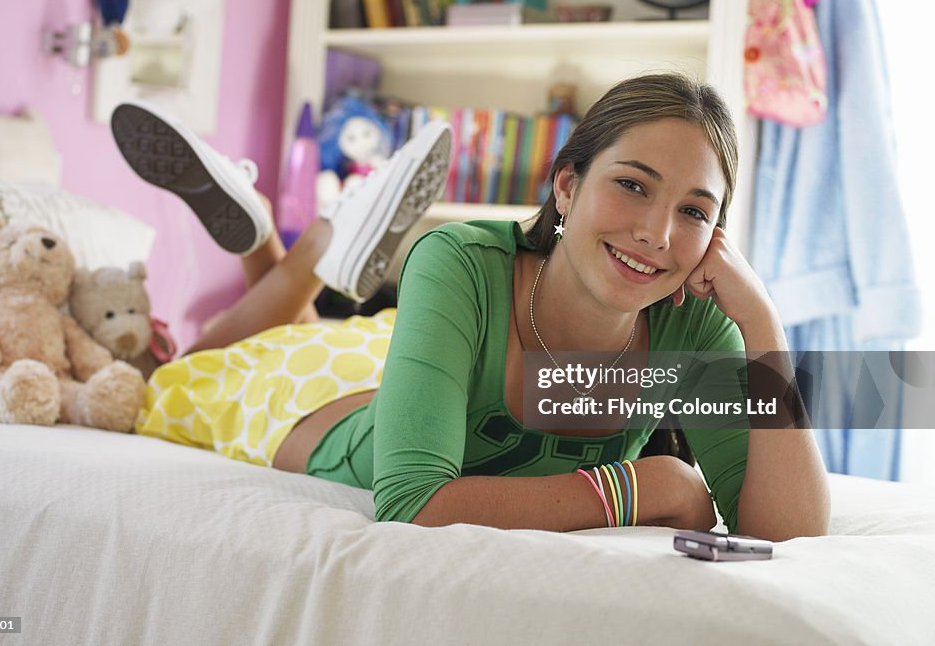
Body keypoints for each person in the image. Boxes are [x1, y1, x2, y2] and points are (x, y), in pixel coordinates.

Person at [110, 73, 830, 541]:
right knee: (181, 374)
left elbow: (790, 533)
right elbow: (412, 502)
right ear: (568, 186)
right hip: (312, 408)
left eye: (695, 211)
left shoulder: (694, 323)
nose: (657, 233)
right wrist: (639, 485)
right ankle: (294, 246)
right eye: (634, 185)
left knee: (300, 334)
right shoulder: (458, 261)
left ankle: (289, 240)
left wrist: (763, 324)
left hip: (402, 365)